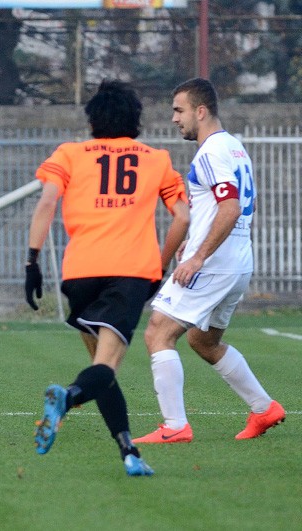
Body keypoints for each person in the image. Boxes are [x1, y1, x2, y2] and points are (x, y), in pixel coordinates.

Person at [26, 80, 190, 476]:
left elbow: (47, 201)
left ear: (93, 119)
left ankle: (129, 452)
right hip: (129, 273)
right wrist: (159, 265)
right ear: (136, 120)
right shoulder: (156, 159)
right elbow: (183, 217)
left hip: (80, 273)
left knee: (103, 369)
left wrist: (32, 260)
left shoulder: (69, 154)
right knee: (105, 367)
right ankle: (66, 399)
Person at [133, 78, 285, 444]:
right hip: (236, 261)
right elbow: (231, 207)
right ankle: (264, 409)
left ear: (200, 112)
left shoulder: (212, 152)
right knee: (203, 341)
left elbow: (230, 207)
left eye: (179, 111)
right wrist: (196, 238)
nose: (174, 119)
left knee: (157, 332)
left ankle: (174, 426)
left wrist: (199, 255)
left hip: (214, 263)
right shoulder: (234, 147)